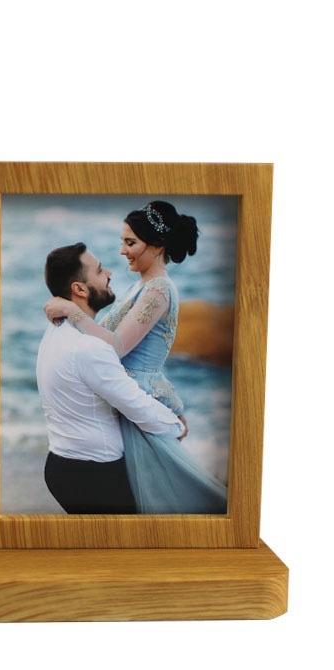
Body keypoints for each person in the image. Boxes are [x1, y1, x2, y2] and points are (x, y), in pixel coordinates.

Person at [44, 202, 227, 514]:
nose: (122, 251)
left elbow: (115, 346)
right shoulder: (138, 287)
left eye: (130, 243)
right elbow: (99, 338)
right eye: (122, 242)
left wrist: (73, 311)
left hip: (139, 398)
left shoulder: (159, 290)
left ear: (157, 245)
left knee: (160, 502)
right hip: (126, 398)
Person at [36, 242, 186, 514]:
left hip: (61, 464)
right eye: (99, 270)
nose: (109, 274)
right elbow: (137, 406)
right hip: (94, 476)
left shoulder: (56, 333)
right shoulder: (89, 348)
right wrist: (175, 425)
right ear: (80, 289)